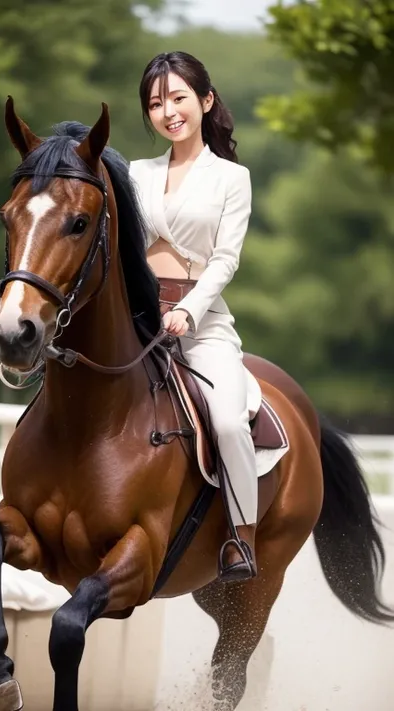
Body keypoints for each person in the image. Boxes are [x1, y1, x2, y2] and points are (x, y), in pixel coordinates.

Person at [129, 51, 258, 582]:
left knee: (228, 420)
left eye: (178, 98)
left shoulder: (232, 178)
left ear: (205, 101)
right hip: (138, 319)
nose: (168, 111)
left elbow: (225, 259)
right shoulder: (136, 173)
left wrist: (186, 308)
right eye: (156, 103)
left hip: (199, 322)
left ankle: (241, 535)